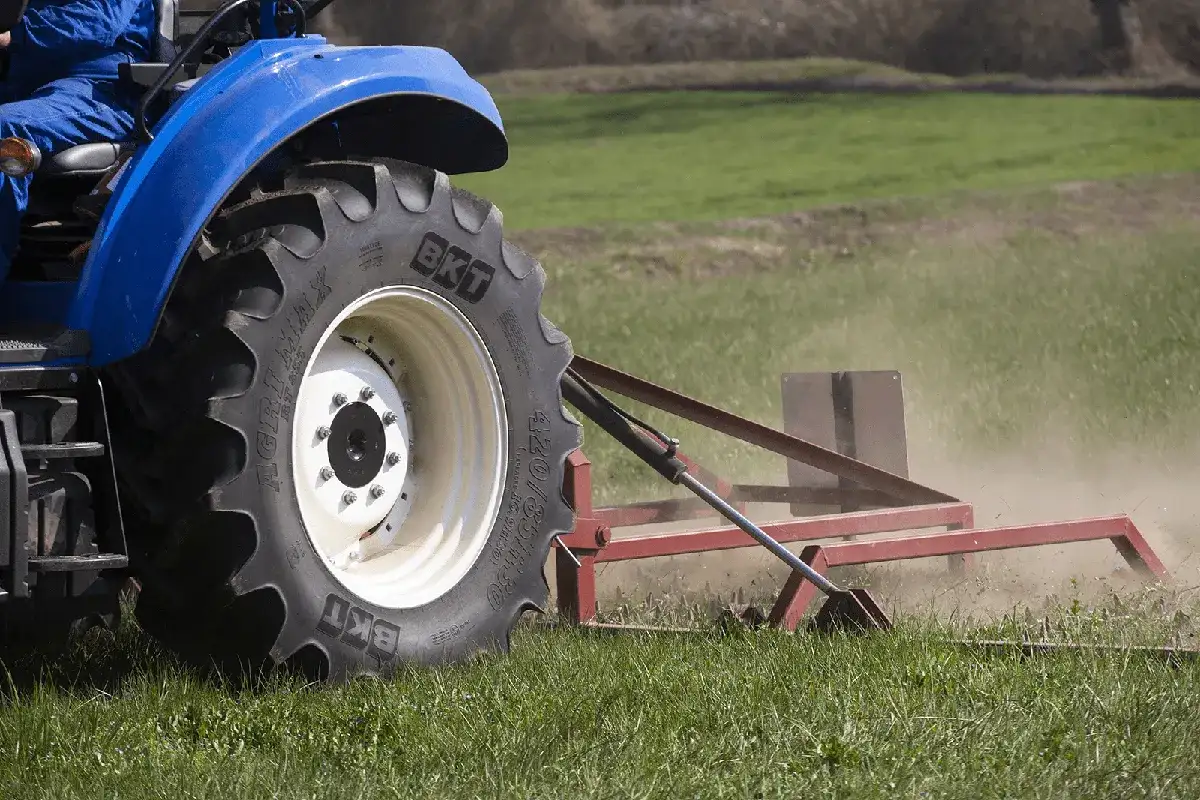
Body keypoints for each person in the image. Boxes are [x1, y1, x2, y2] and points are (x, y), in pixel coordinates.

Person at [0, 0, 155, 280]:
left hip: (101, 92)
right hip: (27, 90)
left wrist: (16, 35)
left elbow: (101, 22)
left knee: (5, 126)